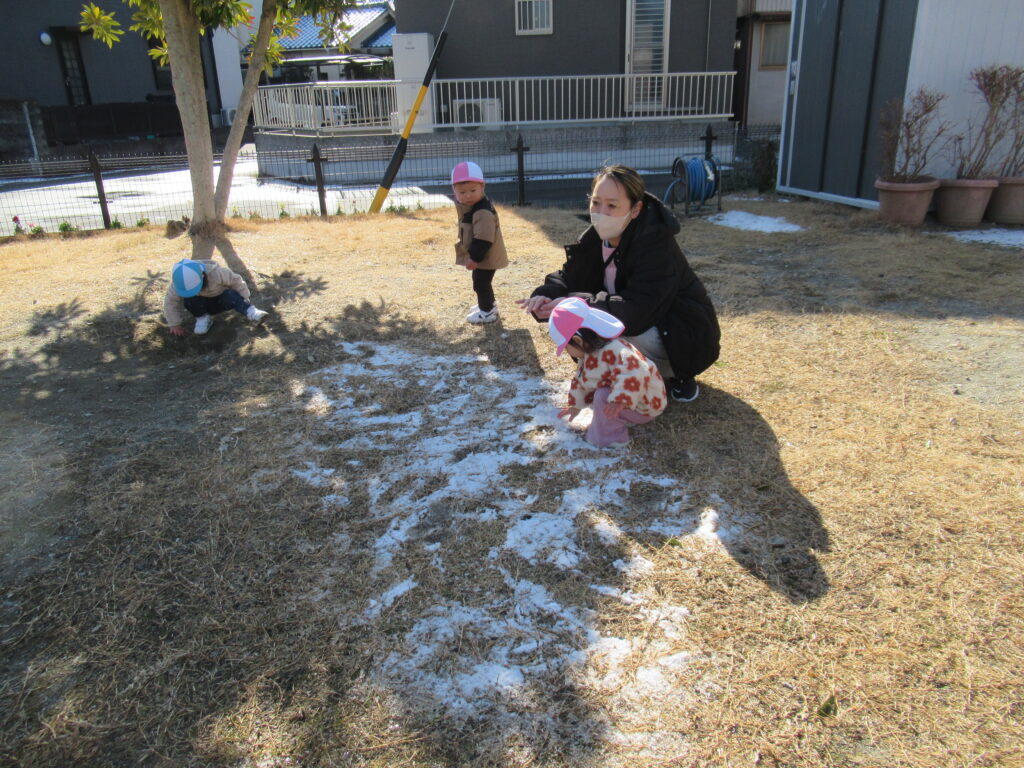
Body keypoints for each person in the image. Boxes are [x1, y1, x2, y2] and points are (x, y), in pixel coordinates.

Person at [517, 164, 720, 402]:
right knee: (569, 319)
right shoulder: (596, 238)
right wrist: (547, 295)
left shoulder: (656, 245)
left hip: (677, 335)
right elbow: (568, 276)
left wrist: (577, 305)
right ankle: (609, 373)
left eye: (612, 206)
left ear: (636, 209)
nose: (601, 212)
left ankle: (678, 374)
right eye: (595, 202)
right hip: (637, 322)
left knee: (616, 329)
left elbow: (637, 312)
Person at [549, 297, 666, 448]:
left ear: (578, 341)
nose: (567, 351)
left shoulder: (616, 349)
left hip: (645, 406)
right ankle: (615, 419)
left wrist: (620, 400)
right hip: (631, 402)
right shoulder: (589, 355)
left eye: (566, 347)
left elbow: (636, 371)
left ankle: (611, 438)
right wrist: (575, 406)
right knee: (602, 395)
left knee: (603, 396)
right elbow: (583, 380)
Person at [451, 160, 508, 324]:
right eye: (462, 192)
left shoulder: (482, 211)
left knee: (480, 284)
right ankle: (488, 305)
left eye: (473, 190)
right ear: (454, 190)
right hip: (483, 256)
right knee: (482, 282)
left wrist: (474, 258)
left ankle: (487, 312)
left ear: (482, 187)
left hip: (485, 257)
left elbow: (483, 238)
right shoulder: (473, 208)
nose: (468, 195)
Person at [164, 258, 268, 336]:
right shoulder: (178, 284)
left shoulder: (218, 273)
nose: (197, 291)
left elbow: (236, 281)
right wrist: (174, 324)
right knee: (189, 300)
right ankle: (203, 318)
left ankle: (252, 312)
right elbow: (170, 302)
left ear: (203, 276)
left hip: (221, 300)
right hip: (200, 306)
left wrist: (245, 298)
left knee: (231, 294)